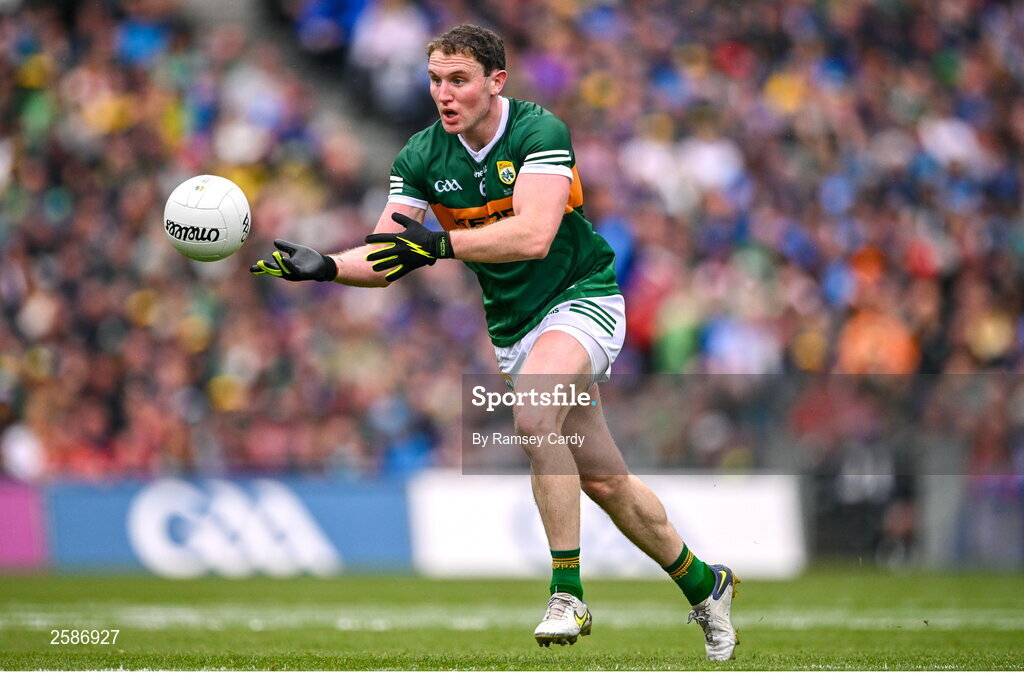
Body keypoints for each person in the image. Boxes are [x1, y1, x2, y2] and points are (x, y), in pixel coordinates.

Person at [251, 23, 739, 661]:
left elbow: (534, 234)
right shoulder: (421, 158)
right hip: (515, 327)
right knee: (605, 482)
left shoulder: (540, 132)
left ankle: (568, 592)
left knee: (535, 410)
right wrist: (325, 266)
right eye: (435, 81)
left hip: (582, 296)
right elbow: (385, 253)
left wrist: (440, 243)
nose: (444, 94)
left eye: (459, 80)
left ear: (495, 81)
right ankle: (707, 585)